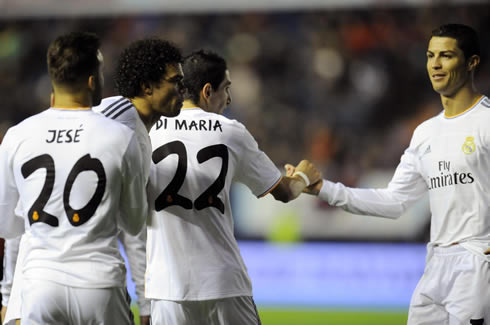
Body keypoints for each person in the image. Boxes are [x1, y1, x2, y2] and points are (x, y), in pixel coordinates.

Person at [291, 23, 489, 324]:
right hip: (436, 265)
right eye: (430, 55)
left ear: (472, 62)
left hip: (478, 264)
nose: (435, 64)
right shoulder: (425, 133)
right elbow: (393, 201)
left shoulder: (485, 122)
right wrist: (324, 188)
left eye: (446, 56)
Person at [145, 49, 321, 324]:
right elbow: (284, 192)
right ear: (207, 90)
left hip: (166, 288)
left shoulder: (150, 131)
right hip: (224, 283)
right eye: (226, 89)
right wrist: (303, 177)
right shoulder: (231, 131)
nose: (228, 99)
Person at [0, 31, 148, 324]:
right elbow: (133, 223)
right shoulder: (120, 136)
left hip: (40, 284)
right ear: (93, 80)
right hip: (99, 283)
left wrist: (7, 296)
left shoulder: (17, 137)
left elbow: (9, 225)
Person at [93, 38, 185, 325]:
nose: (183, 90)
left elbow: (134, 227)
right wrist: (12, 296)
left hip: (98, 274)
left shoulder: (142, 134)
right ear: (147, 87)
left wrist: (146, 302)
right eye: (175, 81)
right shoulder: (112, 121)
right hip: (63, 273)